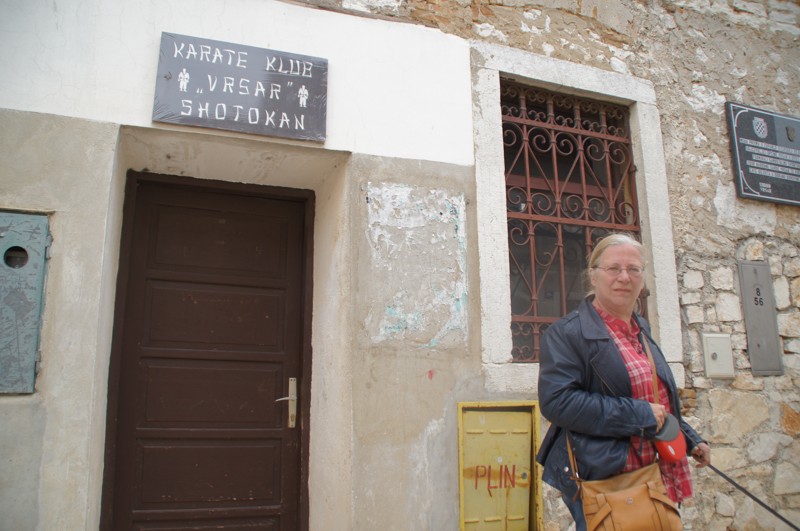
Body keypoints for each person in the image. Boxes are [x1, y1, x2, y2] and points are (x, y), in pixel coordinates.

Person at [535, 233, 711, 530]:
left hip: (656, 473)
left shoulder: (640, 328)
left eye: (633, 269)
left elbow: (656, 396)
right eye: (613, 268)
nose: (624, 277)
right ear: (593, 276)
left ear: (643, 279)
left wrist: (689, 438)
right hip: (611, 481)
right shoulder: (568, 333)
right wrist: (639, 415)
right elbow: (558, 403)